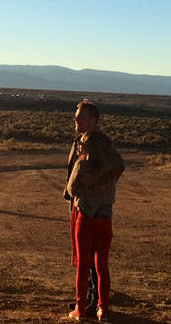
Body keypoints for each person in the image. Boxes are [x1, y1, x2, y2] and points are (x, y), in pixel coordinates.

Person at [67, 127, 124, 323]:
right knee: (102, 267)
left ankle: (80, 308)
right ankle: (103, 310)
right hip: (105, 219)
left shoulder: (83, 165)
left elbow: (71, 189)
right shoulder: (112, 167)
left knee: (83, 266)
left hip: (86, 218)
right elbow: (121, 164)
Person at [64, 100, 101, 316]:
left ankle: (95, 300)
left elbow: (110, 171)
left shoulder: (97, 146)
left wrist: (92, 183)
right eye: (76, 116)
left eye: (81, 116)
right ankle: (87, 296)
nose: (76, 119)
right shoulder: (80, 141)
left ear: (93, 121)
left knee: (90, 254)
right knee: (82, 254)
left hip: (89, 207)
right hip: (78, 204)